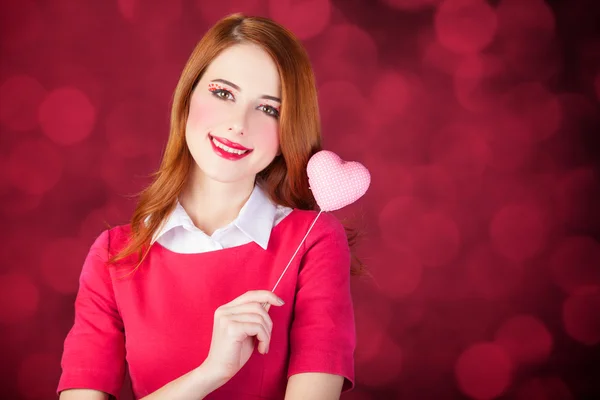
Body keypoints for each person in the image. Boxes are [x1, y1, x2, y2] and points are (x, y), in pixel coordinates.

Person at [58, 13, 360, 400]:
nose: (238, 123)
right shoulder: (113, 257)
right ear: (187, 98)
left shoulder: (314, 241)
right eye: (223, 93)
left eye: (268, 109)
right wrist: (210, 372)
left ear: (288, 131)